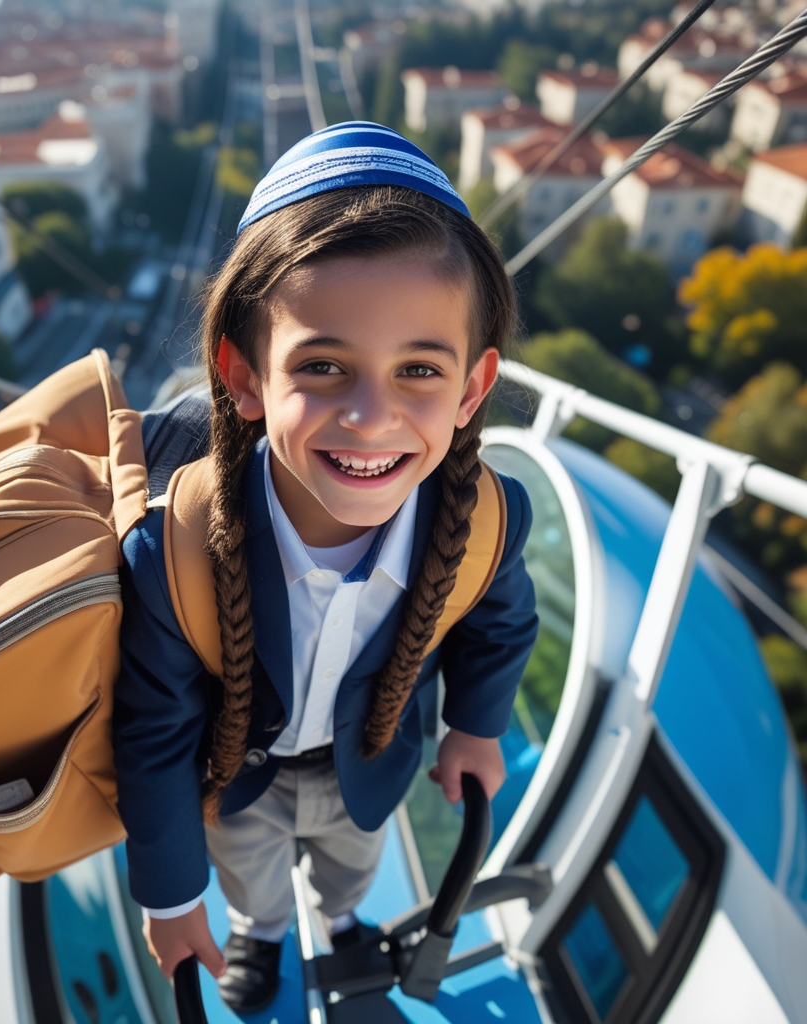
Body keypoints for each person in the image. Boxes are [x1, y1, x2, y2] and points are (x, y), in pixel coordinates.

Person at [114, 121, 539, 1014]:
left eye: (419, 368)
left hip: (367, 764)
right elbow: (151, 727)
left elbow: (501, 623)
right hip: (239, 780)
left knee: (353, 861)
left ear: (472, 390)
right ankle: (261, 935)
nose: (371, 417)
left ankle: (342, 922)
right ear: (244, 377)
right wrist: (168, 894)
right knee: (254, 878)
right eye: (323, 365)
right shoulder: (172, 550)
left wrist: (475, 726)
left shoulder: (485, 524)